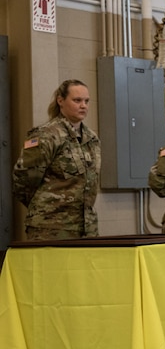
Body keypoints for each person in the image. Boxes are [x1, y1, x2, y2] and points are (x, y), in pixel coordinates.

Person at [12, 80, 101, 240]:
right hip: (50, 228)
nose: (83, 106)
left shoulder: (91, 138)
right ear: (61, 101)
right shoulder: (46, 135)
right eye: (77, 100)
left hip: (86, 229)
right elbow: (23, 180)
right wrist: (45, 206)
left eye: (86, 101)